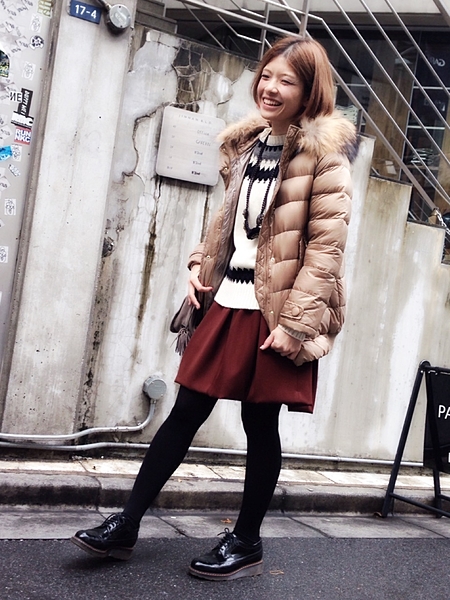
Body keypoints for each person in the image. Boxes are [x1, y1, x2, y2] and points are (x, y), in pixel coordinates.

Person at [71, 35, 359, 581]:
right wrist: (198, 265)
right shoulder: (250, 145)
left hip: (276, 310)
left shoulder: (325, 159)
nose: (270, 88)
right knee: (185, 411)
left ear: (309, 92)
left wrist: (296, 325)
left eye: (287, 81)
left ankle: (246, 541)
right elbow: (228, 222)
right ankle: (126, 524)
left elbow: (326, 249)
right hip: (227, 299)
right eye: (266, 75)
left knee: (260, 422)